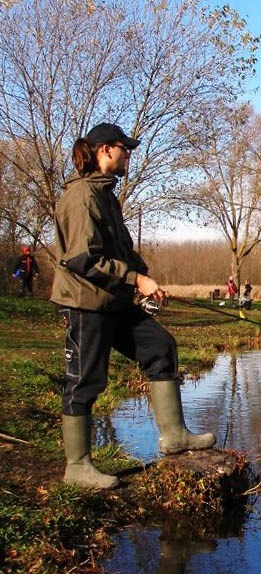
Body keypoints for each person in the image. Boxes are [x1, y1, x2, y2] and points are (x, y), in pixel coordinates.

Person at [50, 123, 215, 490]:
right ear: (106, 149)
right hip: (85, 304)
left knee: (160, 347)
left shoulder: (105, 196)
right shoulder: (81, 197)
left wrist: (141, 273)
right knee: (84, 382)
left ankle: (173, 436)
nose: (129, 155)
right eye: (126, 149)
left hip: (113, 301)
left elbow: (118, 250)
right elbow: (82, 260)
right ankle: (77, 467)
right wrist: (134, 280)